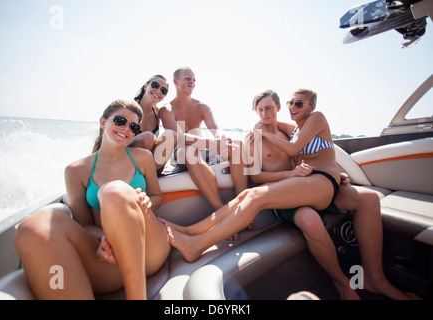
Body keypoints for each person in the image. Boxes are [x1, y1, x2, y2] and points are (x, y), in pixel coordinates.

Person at [163, 89, 418, 300]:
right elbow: (257, 175)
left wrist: (331, 173)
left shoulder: (293, 128)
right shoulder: (257, 137)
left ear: (278, 108)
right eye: (260, 110)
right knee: (271, 204)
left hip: (314, 184)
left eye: (271, 108)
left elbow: (302, 151)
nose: (265, 113)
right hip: (301, 188)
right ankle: (193, 234)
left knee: (370, 198)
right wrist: (289, 172)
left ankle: (375, 278)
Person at [15, 100, 171, 300]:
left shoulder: (142, 157)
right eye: (121, 120)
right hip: (109, 257)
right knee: (32, 227)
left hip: (149, 249)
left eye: (133, 126)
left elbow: (158, 197)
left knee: (114, 192)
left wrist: (146, 202)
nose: (126, 128)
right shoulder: (76, 170)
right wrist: (104, 239)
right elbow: (84, 223)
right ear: (103, 122)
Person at [159, 67, 248, 211]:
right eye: (188, 78)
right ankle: (220, 210)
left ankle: (243, 202)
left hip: (202, 152)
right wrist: (213, 143)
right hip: (180, 154)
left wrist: (221, 141)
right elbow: (179, 138)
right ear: (175, 81)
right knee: (188, 151)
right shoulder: (167, 109)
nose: (192, 82)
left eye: (194, 80)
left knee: (237, 144)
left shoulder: (202, 107)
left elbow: (215, 128)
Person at [128, 75, 177, 171]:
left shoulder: (158, 113)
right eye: (155, 85)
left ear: (164, 97)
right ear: (146, 86)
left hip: (145, 164)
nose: (158, 91)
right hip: (126, 160)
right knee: (148, 137)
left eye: (163, 91)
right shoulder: (128, 107)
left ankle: (148, 174)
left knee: (172, 135)